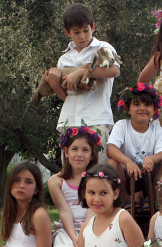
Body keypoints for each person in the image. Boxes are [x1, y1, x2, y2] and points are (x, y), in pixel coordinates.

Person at [44, 3, 120, 163]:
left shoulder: (103, 47)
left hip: (96, 119)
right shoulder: (64, 59)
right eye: (76, 32)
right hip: (69, 119)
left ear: (93, 27)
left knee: (97, 169)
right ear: (67, 32)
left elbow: (114, 70)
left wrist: (81, 72)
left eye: (86, 30)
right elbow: (66, 97)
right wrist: (54, 84)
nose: (82, 36)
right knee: (70, 171)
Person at [48, 125, 99, 247]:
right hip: (67, 230)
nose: (79, 154)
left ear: (92, 155)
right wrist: (74, 238)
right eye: (74, 149)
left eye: (85, 150)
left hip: (92, 227)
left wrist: (84, 235)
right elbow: (64, 211)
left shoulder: (96, 178)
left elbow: (92, 208)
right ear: (66, 152)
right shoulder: (56, 181)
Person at [106, 83, 162, 210]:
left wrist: (150, 159)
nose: (142, 108)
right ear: (127, 108)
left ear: (155, 109)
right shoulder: (122, 125)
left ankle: (153, 198)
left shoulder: (156, 128)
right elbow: (111, 149)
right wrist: (128, 162)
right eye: (136, 104)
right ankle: (125, 198)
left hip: (149, 172)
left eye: (147, 105)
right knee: (112, 163)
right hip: (127, 173)